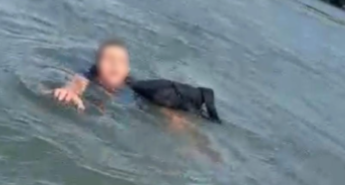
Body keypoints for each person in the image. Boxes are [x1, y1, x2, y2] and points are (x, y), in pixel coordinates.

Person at [52, 39, 222, 123]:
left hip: (132, 100)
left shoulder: (133, 87)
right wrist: (70, 91)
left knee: (172, 116)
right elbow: (78, 81)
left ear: (127, 70)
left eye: (121, 61)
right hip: (105, 101)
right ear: (97, 65)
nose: (114, 64)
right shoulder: (90, 75)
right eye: (108, 59)